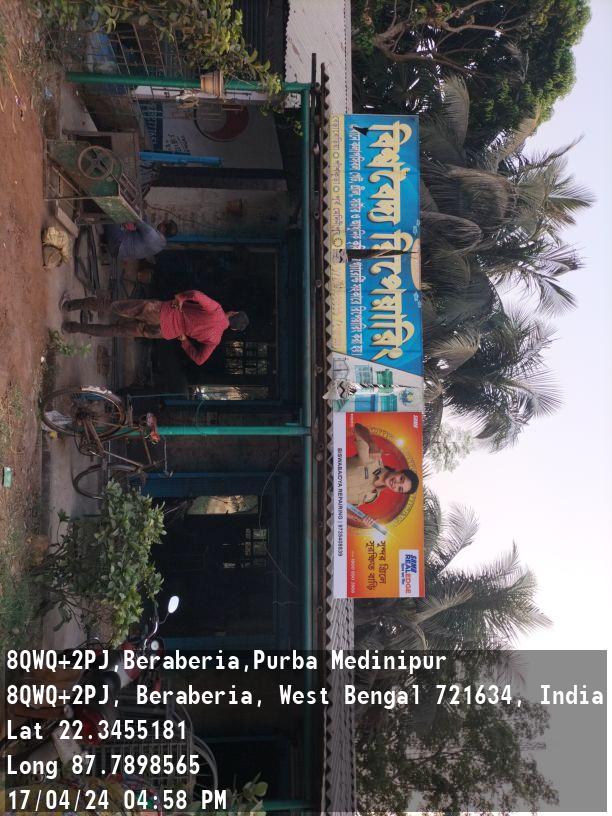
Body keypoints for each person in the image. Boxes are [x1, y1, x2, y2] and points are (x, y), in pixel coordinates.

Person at [61, 290, 249, 366]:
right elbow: (200, 360)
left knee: (114, 306)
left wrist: (181, 298)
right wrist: (185, 341)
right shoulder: (215, 339)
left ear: (232, 312)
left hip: (161, 312)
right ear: (233, 329)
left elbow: (196, 295)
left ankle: (69, 305)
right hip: (162, 332)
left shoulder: (217, 310)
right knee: (116, 331)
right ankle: (71, 327)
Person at [346, 422, 419, 506]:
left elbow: (344, 506)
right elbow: (358, 428)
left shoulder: (371, 497)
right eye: (401, 479)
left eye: (400, 488)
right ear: (399, 471)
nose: (396, 484)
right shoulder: (374, 459)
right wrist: (371, 443)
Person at [105, 218, 178, 261]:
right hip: (118, 255)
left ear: (163, 228)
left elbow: (136, 219)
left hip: (117, 244)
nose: (160, 222)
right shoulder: (161, 245)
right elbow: (144, 224)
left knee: (113, 213)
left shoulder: (151, 233)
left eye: (162, 223)